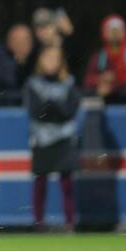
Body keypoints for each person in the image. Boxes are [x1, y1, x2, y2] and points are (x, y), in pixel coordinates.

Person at [24, 45, 80, 231]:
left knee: (67, 183)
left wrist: (50, 107)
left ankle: (69, 223)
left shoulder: (69, 83)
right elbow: (35, 111)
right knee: (40, 182)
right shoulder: (33, 84)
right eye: (47, 58)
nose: (51, 62)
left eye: (55, 58)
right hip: (41, 139)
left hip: (64, 138)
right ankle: (39, 222)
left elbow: (70, 111)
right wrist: (54, 107)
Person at [83, 13, 126, 103]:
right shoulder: (98, 57)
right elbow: (88, 81)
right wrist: (101, 79)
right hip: (106, 106)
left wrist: (113, 83)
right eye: (111, 30)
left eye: (117, 30)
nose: (114, 33)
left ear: (124, 33)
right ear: (104, 33)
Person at [4, 23, 35, 88]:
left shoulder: (38, 65)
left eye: (24, 40)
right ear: (8, 42)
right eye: (16, 40)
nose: (20, 44)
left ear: (32, 43)